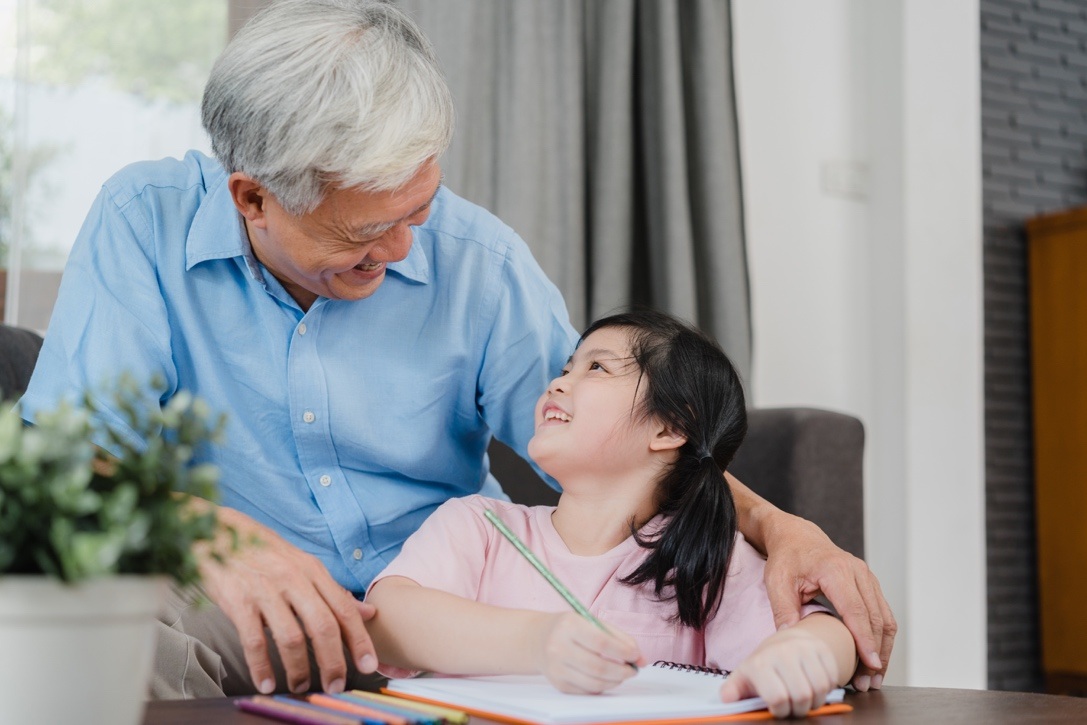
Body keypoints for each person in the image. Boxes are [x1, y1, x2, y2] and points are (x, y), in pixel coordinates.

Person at [18, 0, 894, 700]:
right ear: (253, 197)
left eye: (420, 208)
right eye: (366, 230)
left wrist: (781, 527)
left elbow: (622, 442)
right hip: (238, 606)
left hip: (454, 621)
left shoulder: (480, 265)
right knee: (96, 646)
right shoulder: (144, 224)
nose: (405, 250)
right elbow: (68, 465)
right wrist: (215, 536)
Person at [365, 310, 856, 719]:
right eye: (566, 367)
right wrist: (537, 642)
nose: (559, 382)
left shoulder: (705, 554)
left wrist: (804, 654)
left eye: (596, 369)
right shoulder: (480, 526)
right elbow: (386, 622)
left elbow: (828, 634)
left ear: (669, 427)